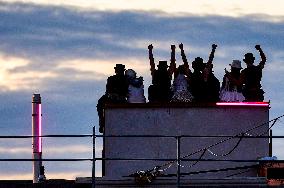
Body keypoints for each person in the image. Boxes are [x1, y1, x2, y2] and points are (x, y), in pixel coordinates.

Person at [96, 64, 128, 133]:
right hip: (112, 97)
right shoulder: (112, 78)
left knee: (101, 103)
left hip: (120, 98)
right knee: (100, 103)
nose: (118, 71)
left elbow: (125, 91)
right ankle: (102, 123)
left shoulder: (125, 79)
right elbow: (108, 91)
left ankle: (102, 124)